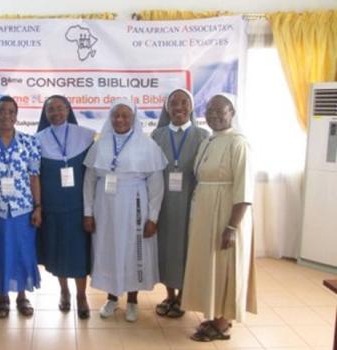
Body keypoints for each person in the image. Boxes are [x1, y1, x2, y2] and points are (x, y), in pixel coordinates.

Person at [83, 99, 167, 322]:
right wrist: (88, 212)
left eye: (125, 115)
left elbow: (157, 186)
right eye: (116, 115)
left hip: (135, 205)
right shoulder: (100, 144)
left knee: (133, 250)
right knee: (109, 248)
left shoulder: (147, 145)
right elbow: (90, 180)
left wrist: (153, 217)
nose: (120, 120)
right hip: (105, 207)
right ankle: (111, 298)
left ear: (133, 118)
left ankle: (132, 300)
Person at [181, 93, 256, 341]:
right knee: (210, 264)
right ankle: (214, 316)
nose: (213, 115)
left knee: (226, 264)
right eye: (210, 111)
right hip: (205, 212)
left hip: (227, 213)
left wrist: (232, 227)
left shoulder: (239, 143)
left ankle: (224, 323)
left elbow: (244, 191)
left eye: (219, 111)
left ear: (232, 113)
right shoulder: (208, 141)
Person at [0, 95, 42, 319]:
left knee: (22, 253)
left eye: (11, 111)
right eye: (2, 111)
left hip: (23, 210)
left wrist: (38, 207)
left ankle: (22, 296)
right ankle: (2, 297)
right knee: (0, 254)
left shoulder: (29, 143)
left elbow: (34, 178)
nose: (6, 116)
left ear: (16, 115)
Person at [151, 89, 210, 318]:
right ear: (167, 108)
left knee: (187, 247)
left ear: (191, 107)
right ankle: (170, 295)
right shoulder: (157, 136)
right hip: (164, 203)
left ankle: (185, 295)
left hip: (190, 203)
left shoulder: (203, 136)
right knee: (166, 249)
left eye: (184, 102)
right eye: (173, 103)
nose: (178, 107)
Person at [35, 95, 95, 319]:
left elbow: (92, 176)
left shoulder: (86, 136)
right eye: (51, 110)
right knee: (58, 252)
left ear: (69, 109)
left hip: (78, 207)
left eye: (60, 108)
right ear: (45, 113)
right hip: (52, 208)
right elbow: (36, 176)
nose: (56, 113)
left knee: (78, 254)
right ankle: (64, 292)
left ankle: (81, 296)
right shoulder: (38, 140)